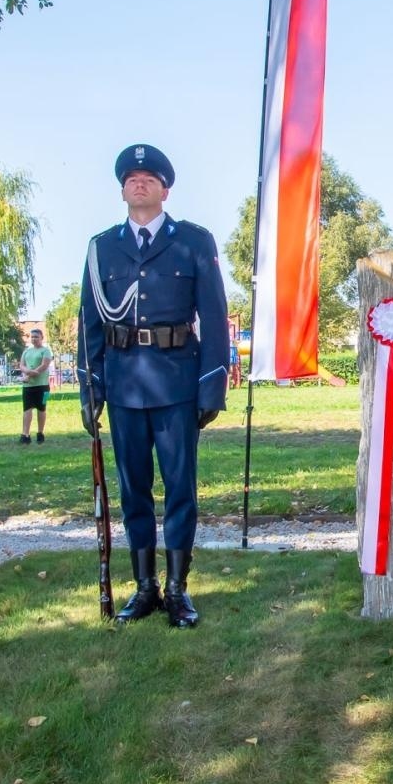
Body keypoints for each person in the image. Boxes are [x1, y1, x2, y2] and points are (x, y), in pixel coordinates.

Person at [80, 143, 229, 627]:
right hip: (124, 384)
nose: (138, 182)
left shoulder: (193, 242)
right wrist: (90, 387)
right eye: (130, 178)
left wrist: (212, 385)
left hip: (177, 382)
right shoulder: (101, 247)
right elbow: (90, 324)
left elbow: (213, 314)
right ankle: (144, 588)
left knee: (180, 488)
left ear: (165, 188)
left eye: (148, 177)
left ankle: (178, 589)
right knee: (133, 489)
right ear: (122, 190)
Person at [19, 328, 53, 443]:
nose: (34, 339)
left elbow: (44, 365)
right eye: (32, 337)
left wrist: (31, 374)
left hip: (43, 386)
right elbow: (22, 365)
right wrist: (28, 372)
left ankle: (40, 433)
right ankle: (25, 434)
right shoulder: (27, 351)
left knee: (41, 409)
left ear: (42, 338)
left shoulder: (46, 351)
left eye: (36, 337)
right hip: (28, 386)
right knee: (27, 409)